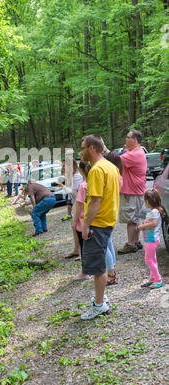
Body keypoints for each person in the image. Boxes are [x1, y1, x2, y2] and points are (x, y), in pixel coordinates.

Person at [78, 135, 120, 320]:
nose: (81, 152)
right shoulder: (111, 166)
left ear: (92, 148)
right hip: (108, 221)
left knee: (97, 268)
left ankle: (99, 305)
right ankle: (101, 298)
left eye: (83, 148)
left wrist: (85, 225)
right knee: (99, 263)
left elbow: (95, 200)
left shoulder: (96, 170)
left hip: (98, 223)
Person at [118, 130, 147, 254]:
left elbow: (116, 160)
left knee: (131, 219)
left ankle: (130, 244)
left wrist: (104, 149)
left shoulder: (134, 154)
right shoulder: (138, 152)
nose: (125, 139)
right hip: (138, 190)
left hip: (131, 191)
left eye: (128, 137)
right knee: (136, 217)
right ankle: (136, 241)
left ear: (135, 140)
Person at [69, 161, 92, 281]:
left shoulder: (83, 186)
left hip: (83, 221)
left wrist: (74, 221)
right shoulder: (94, 183)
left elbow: (78, 205)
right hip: (94, 219)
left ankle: (85, 271)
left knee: (84, 247)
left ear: (81, 170)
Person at [138, 190, 165, 289]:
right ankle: (152, 278)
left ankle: (158, 279)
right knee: (153, 259)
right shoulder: (155, 211)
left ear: (148, 201)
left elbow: (153, 223)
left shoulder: (154, 212)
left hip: (151, 240)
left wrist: (142, 226)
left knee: (148, 259)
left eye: (145, 201)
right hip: (151, 239)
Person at [104, 151, 123, 285]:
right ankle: (112, 269)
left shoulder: (112, 175)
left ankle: (111, 274)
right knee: (109, 242)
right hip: (113, 210)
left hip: (107, 211)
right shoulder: (118, 174)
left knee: (104, 245)